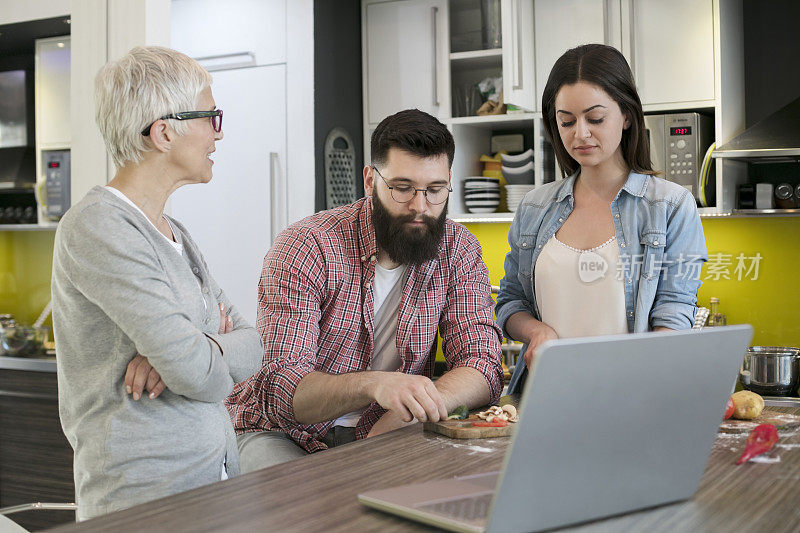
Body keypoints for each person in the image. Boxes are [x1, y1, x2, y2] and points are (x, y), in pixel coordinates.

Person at [51, 46, 263, 520]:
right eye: (211, 116)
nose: (219, 133)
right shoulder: (97, 227)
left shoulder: (176, 235)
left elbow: (255, 346)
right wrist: (198, 351)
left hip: (211, 483)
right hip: (144, 500)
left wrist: (200, 345)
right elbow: (199, 375)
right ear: (164, 132)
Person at [227, 109, 504, 470]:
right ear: (370, 180)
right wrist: (376, 385)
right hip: (280, 432)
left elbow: (482, 362)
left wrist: (418, 404)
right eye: (402, 188)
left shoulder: (458, 249)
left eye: (435, 190)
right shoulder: (306, 246)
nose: (420, 207)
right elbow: (283, 391)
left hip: (390, 428)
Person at [497, 44, 708, 394]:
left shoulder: (670, 205)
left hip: (631, 399)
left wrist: (638, 369)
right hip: (541, 398)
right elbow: (511, 301)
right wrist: (536, 331)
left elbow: (675, 313)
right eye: (566, 121)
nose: (580, 134)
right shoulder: (534, 208)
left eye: (595, 119)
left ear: (626, 116)